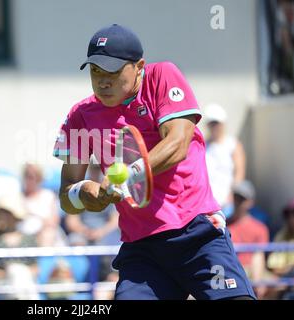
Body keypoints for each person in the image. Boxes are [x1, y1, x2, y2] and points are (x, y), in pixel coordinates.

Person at [53, 24, 256, 300]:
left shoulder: (162, 75)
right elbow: (66, 194)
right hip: (142, 252)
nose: (103, 81)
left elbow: (177, 144)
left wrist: (126, 175)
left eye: (112, 71)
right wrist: (87, 193)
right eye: (95, 71)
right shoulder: (80, 115)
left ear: (139, 66)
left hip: (199, 235)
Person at [0, 197, 38, 300]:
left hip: (25, 282)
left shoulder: (28, 239)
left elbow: (35, 267)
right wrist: (6, 274)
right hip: (0, 282)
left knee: (18, 273)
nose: (2, 217)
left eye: (6, 213)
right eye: (1, 213)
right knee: (15, 273)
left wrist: (20, 273)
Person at [227, 180, 271, 299]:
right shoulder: (223, 225)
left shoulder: (260, 228)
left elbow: (258, 255)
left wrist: (258, 281)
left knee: (279, 284)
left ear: (250, 202)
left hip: (251, 271)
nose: (238, 201)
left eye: (242, 198)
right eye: (236, 197)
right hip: (230, 271)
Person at [204, 104, 246, 216]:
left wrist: (232, 195)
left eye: (217, 123)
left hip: (228, 203)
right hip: (208, 203)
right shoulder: (203, 145)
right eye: (212, 123)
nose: (214, 127)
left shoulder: (233, 144)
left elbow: (239, 172)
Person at [267, 199, 294, 299]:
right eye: (291, 214)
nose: (292, 218)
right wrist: (289, 270)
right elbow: (275, 267)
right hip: (286, 281)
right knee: (272, 285)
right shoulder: (282, 235)